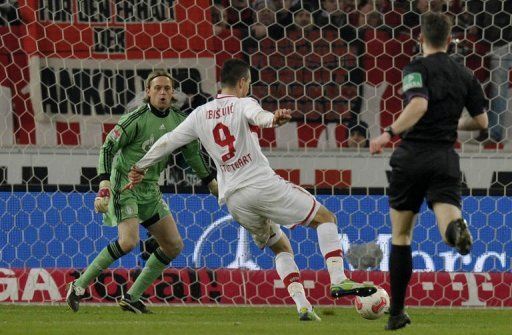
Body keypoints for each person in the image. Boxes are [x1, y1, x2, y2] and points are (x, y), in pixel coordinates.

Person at [127, 59, 377, 321]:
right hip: (260, 184)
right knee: (326, 218)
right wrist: (273, 119)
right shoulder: (243, 103)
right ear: (243, 82)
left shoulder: (200, 113)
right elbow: (259, 117)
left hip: (234, 200)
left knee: (281, 247)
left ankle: (303, 306)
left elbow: (168, 141)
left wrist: (141, 165)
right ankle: (339, 278)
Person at [369, 12, 488, 330]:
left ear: (421, 39)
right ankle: (454, 231)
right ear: (450, 41)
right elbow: (482, 123)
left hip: (410, 157)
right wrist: (452, 123)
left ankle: (396, 313)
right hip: (444, 158)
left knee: (401, 236)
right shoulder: (465, 74)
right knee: (447, 217)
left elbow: (418, 105)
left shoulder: (415, 68)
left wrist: (388, 133)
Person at [66, 70, 218, 314]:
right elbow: (107, 148)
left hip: (150, 189)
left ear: (173, 93)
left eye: (167, 89)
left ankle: (132, 297)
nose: (162, 93)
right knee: (128, 242)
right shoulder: (135, 119)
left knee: (173, 245)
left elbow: (192, 154)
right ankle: (79, 285)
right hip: (125, 186)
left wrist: (210, 181)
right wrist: (104, 185)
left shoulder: (180, 122)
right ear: (148, 92)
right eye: (157, 88)